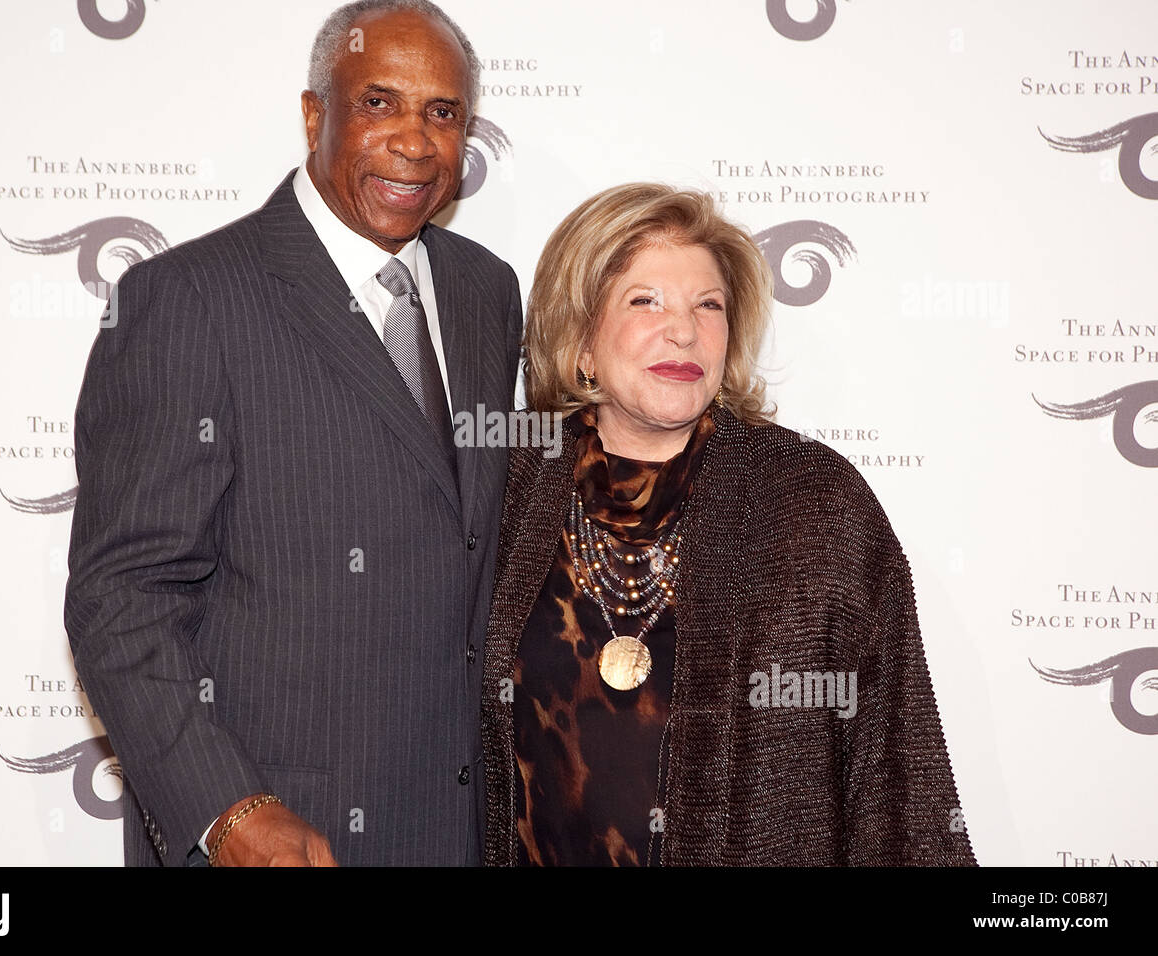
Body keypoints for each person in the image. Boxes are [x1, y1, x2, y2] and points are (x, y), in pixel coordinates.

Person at [65, 0, 522, 867]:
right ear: (315, 114)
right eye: (379, 102)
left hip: (458, 832)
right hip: (278, 837)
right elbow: (120, 599)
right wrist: (228, 811)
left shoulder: (484, 292)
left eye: (443, 112)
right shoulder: (185, 299)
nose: (415, 141)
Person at [480, 183, 976, 866]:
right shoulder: (502, 489)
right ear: (582, 340)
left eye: (707, 306)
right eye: (644, 300)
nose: (682, 330)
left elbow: (894, 764)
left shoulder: (812, 500)